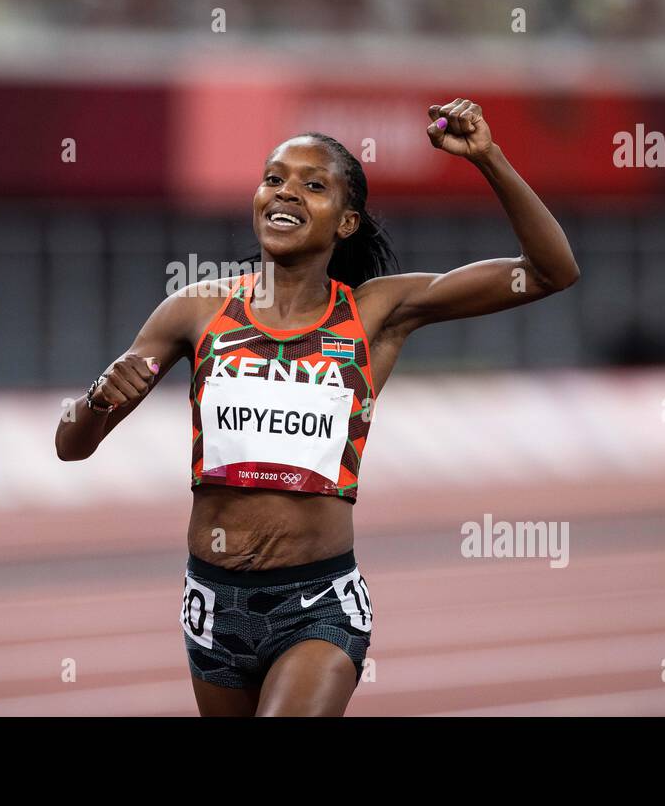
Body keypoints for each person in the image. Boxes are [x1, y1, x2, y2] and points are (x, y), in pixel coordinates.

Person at [55, 99, 580, 715]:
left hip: (317, 602)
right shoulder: (195, 311)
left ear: (347, 223)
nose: (286, 194)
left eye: (313, 185)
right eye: (274, 179)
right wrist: (95, 400)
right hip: (212, 603)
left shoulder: (376, 313)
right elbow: (72, 445)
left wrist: (487, 156)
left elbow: (550, 271)